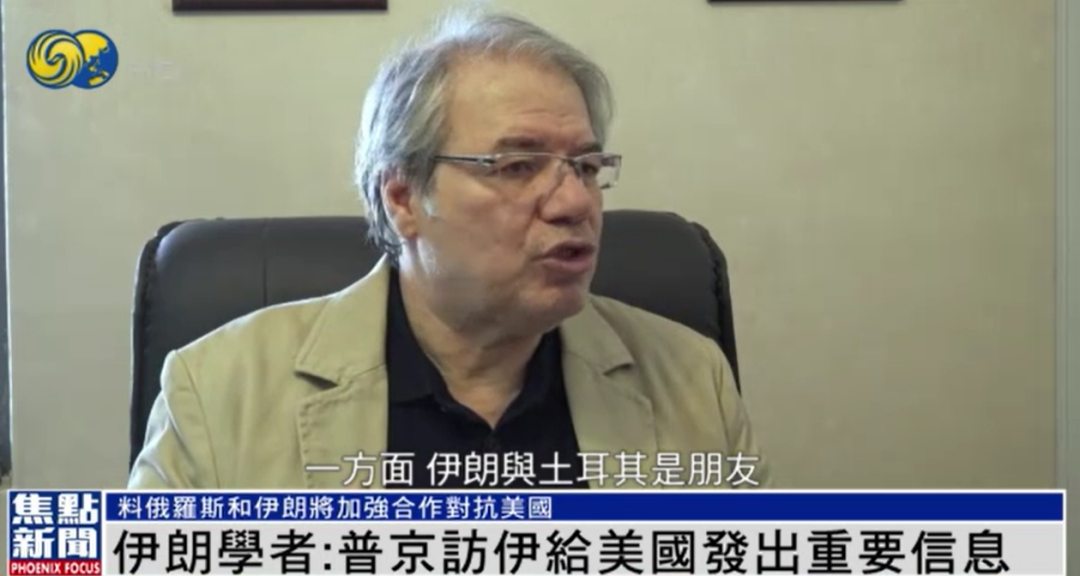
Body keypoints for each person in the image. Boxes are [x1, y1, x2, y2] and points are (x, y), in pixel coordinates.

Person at [128, 6, 771, 490]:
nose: (575, 202)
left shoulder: (693, 382)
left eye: (585, 165)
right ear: (403, 198)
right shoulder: (219, 392)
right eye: (517, 166)